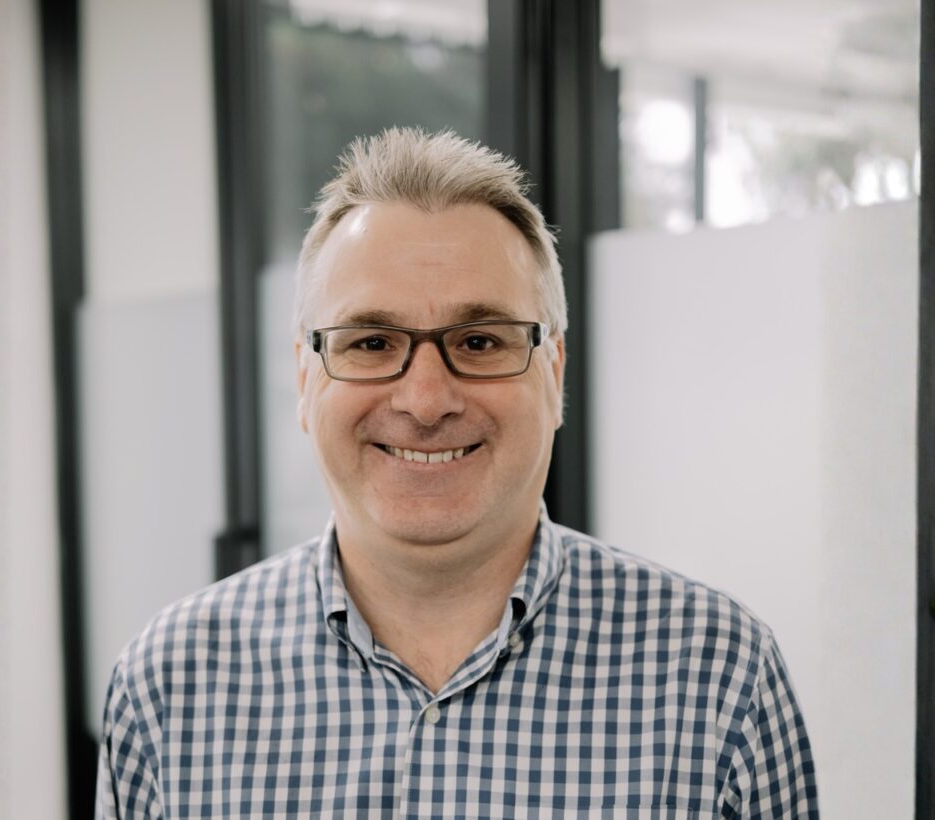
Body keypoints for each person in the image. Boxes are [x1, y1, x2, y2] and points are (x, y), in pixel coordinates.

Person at [97, 128, 818, 818]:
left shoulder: (719, 677)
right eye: (372, 341)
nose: (425, 400)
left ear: (554, 370)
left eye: (479, 341)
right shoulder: (170, 687)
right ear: (304, 377)